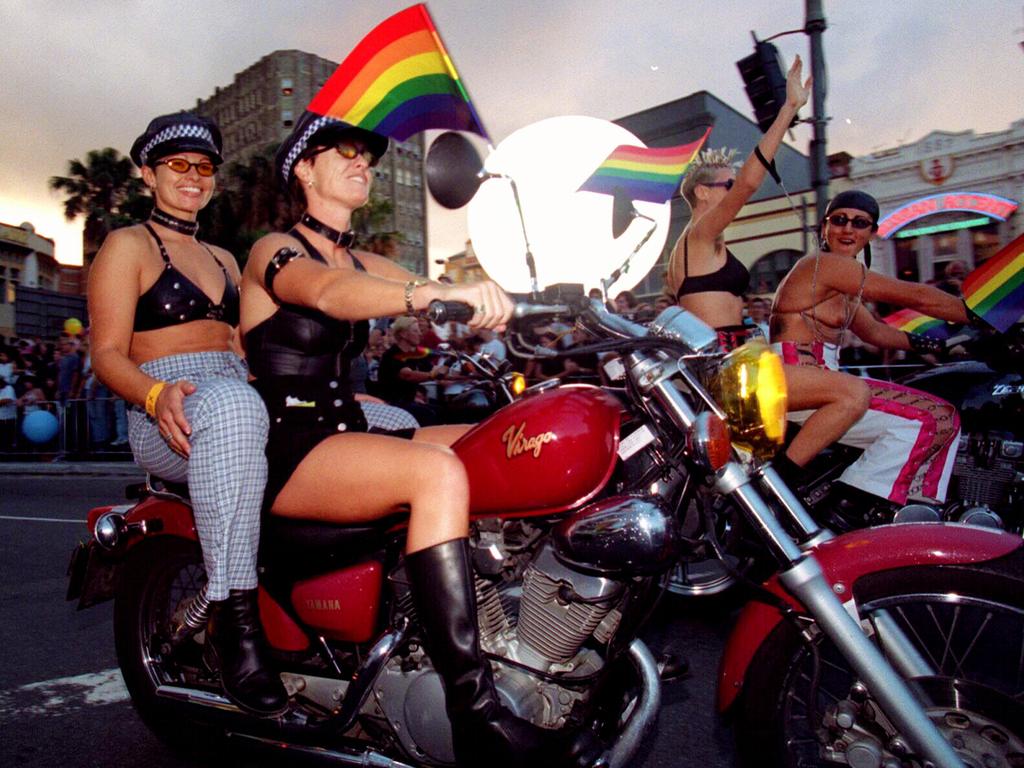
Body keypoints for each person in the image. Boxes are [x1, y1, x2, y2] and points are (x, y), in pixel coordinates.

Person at [241, 111, 578, 767]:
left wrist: (528, 301)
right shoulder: (273, 250)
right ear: (303, 170)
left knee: (506, 439)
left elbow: (421, 286)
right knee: (435, 472)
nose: (363, 161)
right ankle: (473, 709)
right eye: (345, 152)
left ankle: (548, 643)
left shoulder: (363, 255)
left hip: (347, 430)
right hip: (289, 442)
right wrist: (426, 294)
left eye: (368, 154)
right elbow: (334, 292)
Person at [87, 112, 287, 716]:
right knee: (231, 408)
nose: (193, 177)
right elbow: (104, 355)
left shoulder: (228, 259)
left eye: (203, 167)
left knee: (377, 427)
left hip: (237, 395)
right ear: (149, 173)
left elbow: (249, 354)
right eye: (178, 165)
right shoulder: (128, 245)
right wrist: (153, 394)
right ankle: (234, 623)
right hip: (165, 409)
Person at [770, 190, 972, 508]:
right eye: (839, 220)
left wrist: (942, 346)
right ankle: (855, 503)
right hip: (795, 378)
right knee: (933, 418)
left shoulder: (844, 287)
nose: (848, 229)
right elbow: (915, 296)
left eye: (859, 223)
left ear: (871, 232)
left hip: (824, 385)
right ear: (824, 227)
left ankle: (916, 508)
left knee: (942, 418)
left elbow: (875, 331)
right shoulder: (821, 265)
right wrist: (980, 314)